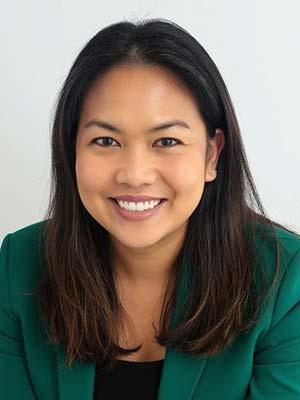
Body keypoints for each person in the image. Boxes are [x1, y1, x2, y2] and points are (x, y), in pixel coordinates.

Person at [0, 17, 299, 400]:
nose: (135, 175)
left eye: (167, 141)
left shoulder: (286, 281)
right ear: (71, 148)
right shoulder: (19, 265)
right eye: (106, 140)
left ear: (212, 154)